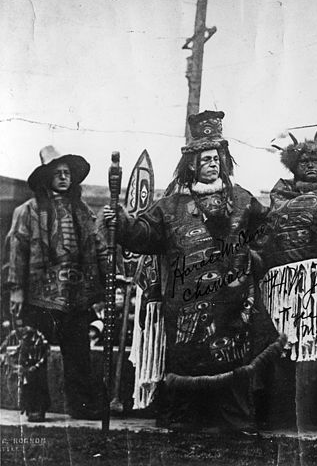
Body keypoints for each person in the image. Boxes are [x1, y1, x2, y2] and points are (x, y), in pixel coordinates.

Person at [104, 111, 269, 432]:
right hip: (185, 303)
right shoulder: (170, 206)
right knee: (187, 360)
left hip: (233, 301)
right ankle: (182, 419)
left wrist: (252, 260)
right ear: (191, 163)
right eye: (205, 158)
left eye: (217, 157)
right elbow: (142, 236)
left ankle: (236, 420)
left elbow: (266, 235)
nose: (213, 163)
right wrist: (119, 223)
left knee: (233, 359)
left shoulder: (243, 200)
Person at [255, 126, 317, 432]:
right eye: (303, 162)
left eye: (316, 161)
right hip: (290, 285)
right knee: (289, 346)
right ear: (293, 167)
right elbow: (274, 222)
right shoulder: (280, 194)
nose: (310, 165)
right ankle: (285, 416)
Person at [5, 146, 108, 420]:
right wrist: (16, 290)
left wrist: (106, 273)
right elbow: (17, 252)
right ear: (46, 177)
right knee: (35, 349)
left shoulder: (83, 211)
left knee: (78, 352)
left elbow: (98, 245)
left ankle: (81, 405)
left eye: (67, 173)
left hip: (75, 294)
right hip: (39, 294)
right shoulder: (27, 211)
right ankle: (36, 405)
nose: (63, 177)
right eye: (58, 173)